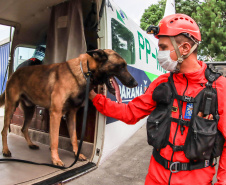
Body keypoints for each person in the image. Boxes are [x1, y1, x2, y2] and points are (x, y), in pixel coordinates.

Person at [89, 14, 226, 185]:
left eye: (163, 47)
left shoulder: (219, 87)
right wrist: (94, 97)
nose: (159, 53)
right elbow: (130, 113)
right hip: (155, 178)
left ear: (184, 48)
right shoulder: (161, 84)